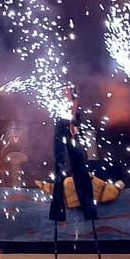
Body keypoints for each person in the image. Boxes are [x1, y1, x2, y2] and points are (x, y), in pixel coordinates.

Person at [49, 87, 96, 223]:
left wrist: (73, 123)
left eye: (68, 91)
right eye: (64, 91)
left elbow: (75, 117)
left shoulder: (76, 105)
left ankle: (89, 210)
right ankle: (57, 212)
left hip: (73, 132)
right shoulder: (58, 106)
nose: (65, 93)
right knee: (60, 170)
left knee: (80, 170)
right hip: (62, 131)